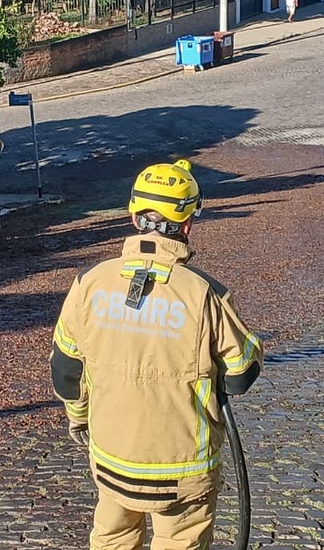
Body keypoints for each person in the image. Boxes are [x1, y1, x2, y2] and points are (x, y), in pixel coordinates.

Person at [50, 159, 264, 550]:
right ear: (187, 224)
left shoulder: (88, 284)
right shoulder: (205, 294)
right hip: (183, 472)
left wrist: (79, 419)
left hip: (112, 461)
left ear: (134, 216)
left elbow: (66, 369)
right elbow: (241, 373)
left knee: (112, 540)